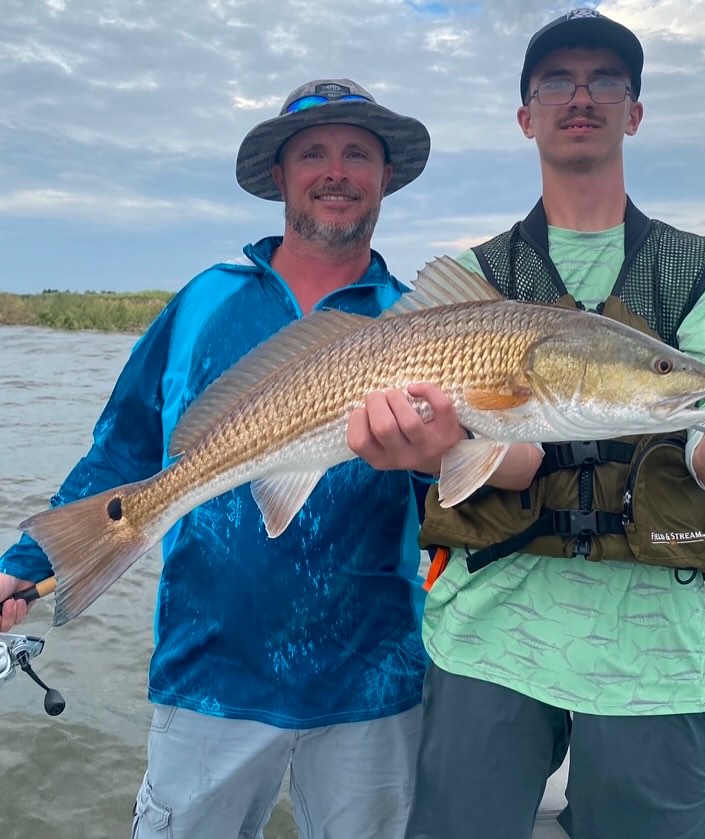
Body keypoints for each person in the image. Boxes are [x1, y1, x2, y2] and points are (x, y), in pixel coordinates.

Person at [347, 11, 705, 839]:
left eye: (605, 80)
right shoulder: (471, 277)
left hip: (652, 653)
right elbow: (489, 454)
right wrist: (442, 450)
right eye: (554, 82)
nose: (580, 96)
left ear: (633, 111)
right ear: (524, 114)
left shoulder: (700, 265)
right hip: (485, 634)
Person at [0, 78, 444, 839]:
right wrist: (26, 558)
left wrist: (437, 463)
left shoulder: (420, 326)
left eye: (356, 154)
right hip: (209, 670)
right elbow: (124, 448)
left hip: (373, 675)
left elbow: (451, 510)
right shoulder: (204, 302)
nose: (334, 171)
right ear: (279, 175)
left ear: (385, 177)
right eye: (313, 153)